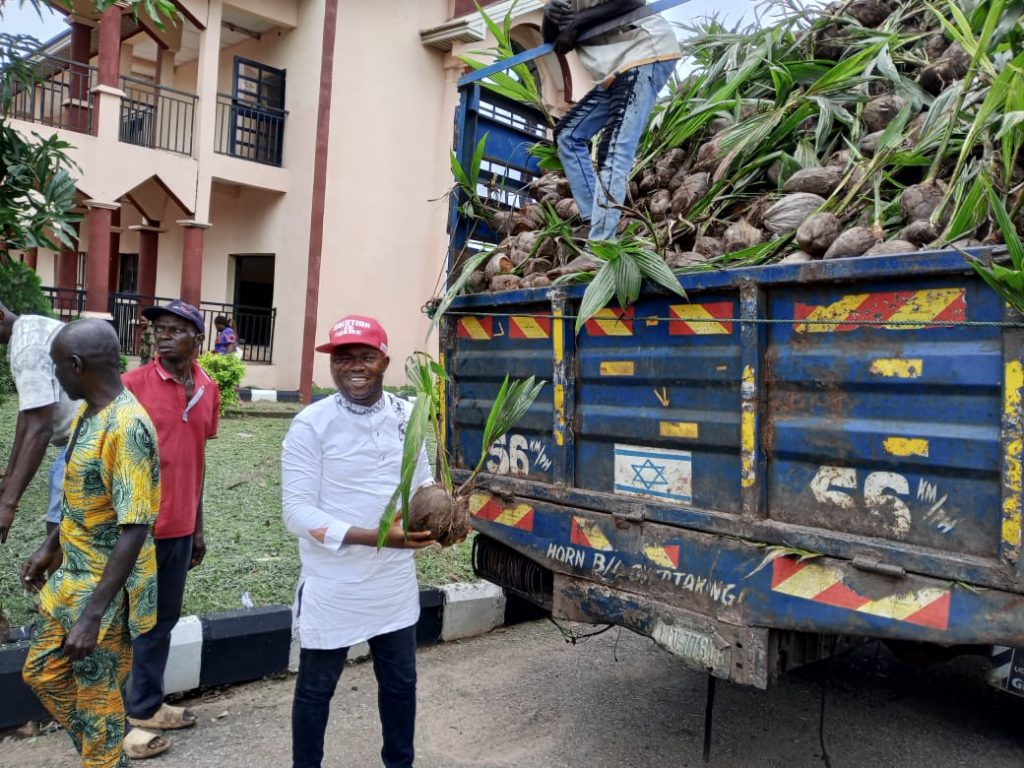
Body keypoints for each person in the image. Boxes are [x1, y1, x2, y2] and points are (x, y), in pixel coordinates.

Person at [281, 314, 436, 768]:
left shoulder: (409, 416)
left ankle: (399, 763)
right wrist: (377, 537)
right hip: (334, 583)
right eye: (343, 357)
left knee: (400, 684)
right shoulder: (312, 424)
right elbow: (297, 513)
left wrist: (437, 516)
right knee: (315, 689)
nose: (354, 366)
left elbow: (421, 482)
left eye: (366, 356)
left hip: (392, 583)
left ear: (384, 360)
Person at [21, 318, 162, 768]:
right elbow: (85, 498)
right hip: (71, 578)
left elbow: (135, 528)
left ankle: (104, 753)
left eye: (58, 367)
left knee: (99, 701)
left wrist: (93, 617)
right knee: (42, 673)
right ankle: (106, 752)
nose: (56, 377)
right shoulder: (90, 412)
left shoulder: (128, 427)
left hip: (105, 594)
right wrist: (51, 546)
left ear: (77, 365)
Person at [120, 299, 220, 759]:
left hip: (178, 529)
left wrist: (197, 528)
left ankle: (146, 706)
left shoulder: (208, 389)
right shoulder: (130, 385)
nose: (162, 335)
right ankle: (118, 722)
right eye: (158, 328)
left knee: (160, 622)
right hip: (130, 531)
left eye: (175, 329)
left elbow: (196, 461)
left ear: (196, 339)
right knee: (123, 624)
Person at [544, 0, 681, 273]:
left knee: (614, 148)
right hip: (613, 71)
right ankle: (592, 219)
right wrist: (550, 17)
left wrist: (577, 23)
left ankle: (600, 246)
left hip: (644, 53)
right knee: (567, 134)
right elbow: (554, 40)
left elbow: (632, 1)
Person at [0, 300, 76, 545]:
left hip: (87, 440)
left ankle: (61, 582)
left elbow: (40, 429)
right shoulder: (31, 329)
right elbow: (28, 416)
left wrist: (8, 504)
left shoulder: (27, 349)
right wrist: (9, 477)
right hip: (87, 433)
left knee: (59, 529)